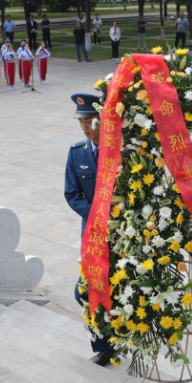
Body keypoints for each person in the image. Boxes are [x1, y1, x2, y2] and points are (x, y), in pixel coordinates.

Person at [64, 93, 115, 367]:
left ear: (101, 119)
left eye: (89, 119)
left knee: (116, 287)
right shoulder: (77, 153)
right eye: (81, 121)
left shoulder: (120, 152)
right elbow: (71, 193)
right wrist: (96, 217)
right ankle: (104, 345)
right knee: (84, 291)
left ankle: (120, 336)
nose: (84, 126)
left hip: (120, 235)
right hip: (93, 235)